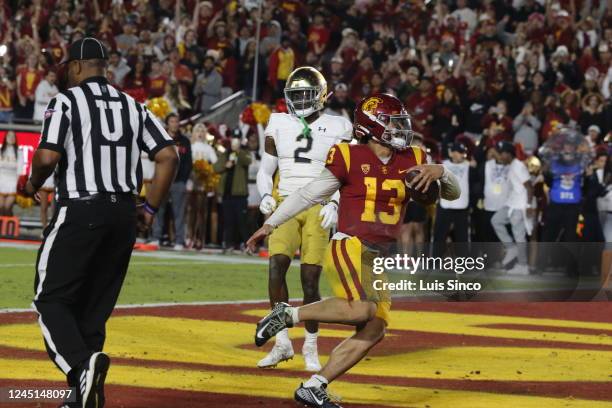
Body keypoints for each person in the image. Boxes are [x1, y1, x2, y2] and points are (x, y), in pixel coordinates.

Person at [247, 93, 460, 408]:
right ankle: (288, 314)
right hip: (350, 243)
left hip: (378, 254)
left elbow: (454, 194)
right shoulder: (348, 155)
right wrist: (270, 224)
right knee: (362, 309)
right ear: (370, 126)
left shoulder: (414, 157)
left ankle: (315, 385)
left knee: (374, 328)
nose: (399, 128)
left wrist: (442, 171)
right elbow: (308, 194)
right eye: (390, 121)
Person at [23, 38, 178, 408]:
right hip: (123, 215)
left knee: (51, 300)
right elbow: (168, 156)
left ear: (76, 67)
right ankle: (84, 397)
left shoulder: (66, 101)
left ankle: (79, 370)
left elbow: (46, 155)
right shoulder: (133, 106)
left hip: (80, 209)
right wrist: (150, 209)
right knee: (92, 311)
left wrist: (32, 181)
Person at [255, 66, 352, 372]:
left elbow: (345, 171)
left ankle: (311, 345)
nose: (299, 101)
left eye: (305, 95)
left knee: (310, 280)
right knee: (276, 267)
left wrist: (335, 202)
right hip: (286, 202)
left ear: (322, 96)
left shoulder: (339, 125)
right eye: (294, 95)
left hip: (318, 202)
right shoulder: (279, 122)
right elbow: (265, 169)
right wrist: (265, 195)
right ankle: (282, 342)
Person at [491, 141, 534, 275]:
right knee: (496, 220)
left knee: (519, 236)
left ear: (509, 154)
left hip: (520, 206)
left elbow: (529, 187)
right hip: (511, 204)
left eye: (502, 154)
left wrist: (528, 205)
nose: (499, 156)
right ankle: (511, 248)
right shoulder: (512, 166)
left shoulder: (518, 166)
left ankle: (523, 265)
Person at [151, 113, 192, 250]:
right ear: (167, 124)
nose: (175, 124)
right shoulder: (161, 138)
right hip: (162, 179)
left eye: (176, 121)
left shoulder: (184, 141)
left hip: (178, 182)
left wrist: (183, 180)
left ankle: (179, 241)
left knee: (179, 212)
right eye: (172, 121)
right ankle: (156, 238)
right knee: (158, 209)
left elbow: (188, 163)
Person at [214, 135, 251, 252]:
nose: (234, 143)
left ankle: (247, 245)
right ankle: (228, 244)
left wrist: (238, 151)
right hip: (227, 194)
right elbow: (216, 167)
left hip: (240, 194)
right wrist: (226, 165)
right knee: (228, 221)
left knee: (242, 221)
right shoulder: (225, 154)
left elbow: (248, 161)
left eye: (236, 141)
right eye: (233, 141)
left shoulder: (243, 153)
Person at [433, 142, 471, 249]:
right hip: (445, 205)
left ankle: (463, 264)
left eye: (462, 152)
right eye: (458, 152)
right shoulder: (443, 165)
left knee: (462, 238)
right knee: (439, 236)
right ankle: (434, 263)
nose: (460, 155)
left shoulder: (469, 165)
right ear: (452, 153)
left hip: (462, 206)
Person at [186, 123, 217, 249]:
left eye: (202, 130)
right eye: (197, 130)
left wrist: (207, 169)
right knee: (189, 211)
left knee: (201, 212)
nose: (199, 133)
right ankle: (189, 237)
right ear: (193, 133)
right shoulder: (190, 146)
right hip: (190, 181)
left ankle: (200, 238)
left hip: (203, 183)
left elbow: (215, 162)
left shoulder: (208, 148)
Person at [0, 131, 21, 215]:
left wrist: (17, 185)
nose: (11, 138)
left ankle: (9, 226)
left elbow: (20, 170)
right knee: (1, 207)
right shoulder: (1, 151)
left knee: (7, 207)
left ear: (15, 139)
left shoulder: (19, 152)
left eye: (13, 136)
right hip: (1, 181)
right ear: (5, 137)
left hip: (12, 183)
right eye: (9, 136)